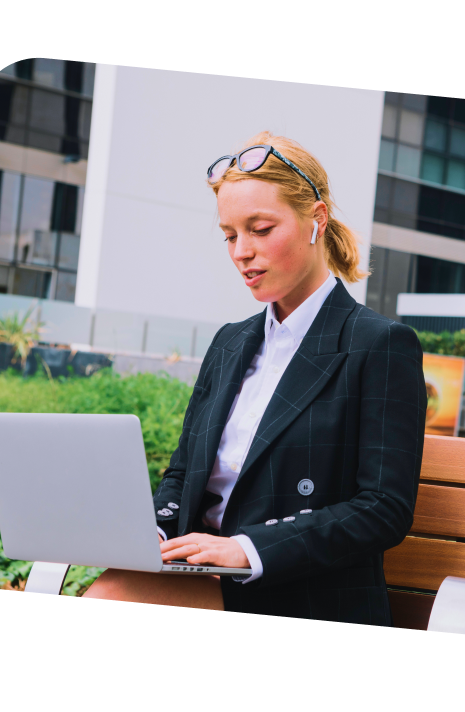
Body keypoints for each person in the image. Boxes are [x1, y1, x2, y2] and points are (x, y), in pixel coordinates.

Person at [83, 133, 427, 625]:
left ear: (318, 220)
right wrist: (154, 534)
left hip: (299, 588)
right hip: (199, 575)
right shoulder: (230, 342)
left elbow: (382, 508)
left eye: (261, 229)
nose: (241, 252)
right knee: (111, 589)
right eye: (229, 235)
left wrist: (245, 550)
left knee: (112, 595)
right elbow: (183, 474)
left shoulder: (379, 344)